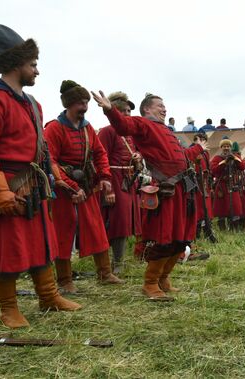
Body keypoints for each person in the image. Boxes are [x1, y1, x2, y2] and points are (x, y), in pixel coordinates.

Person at [0, 24, 81, 328]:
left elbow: (40, 148)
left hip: (34, 186)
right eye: (33, 65)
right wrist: (0, 190)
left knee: (42, 242)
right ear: (16, 64)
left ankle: (48, 296)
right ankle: (8, 309)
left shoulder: (33, 103)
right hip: (9, 187)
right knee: (9, 248)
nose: (37, 71)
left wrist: (51, 177)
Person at [92, 91, 207, 301]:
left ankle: (163, 279)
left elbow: (181, 158)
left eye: (164, 106)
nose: (164, 109)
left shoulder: (167, 131)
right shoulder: (142, 124)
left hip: (182, 190)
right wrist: (110, 110)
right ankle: (150, 283)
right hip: (165, 190)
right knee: (164, 237)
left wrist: (198, 148)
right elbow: (123, 126)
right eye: (159, 106)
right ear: (147, 109)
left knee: (180, 238)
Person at [44, 81, 124, 294]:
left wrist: (105, 176)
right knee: (63, 232)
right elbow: (49, 161)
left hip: (87, 184)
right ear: (69, 104)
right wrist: (70, 186)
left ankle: (104, 273)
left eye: (86, 102)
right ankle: (64, 280)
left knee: (96, 227)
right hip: (63, 189)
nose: (85, 107)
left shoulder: (87, 128)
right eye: (81, 102)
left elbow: (99, 154)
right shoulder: (54, 128)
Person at [98, 91, 143, 275]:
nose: (127, 115)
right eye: (123, 111)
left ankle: (119, 260)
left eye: (129, 112)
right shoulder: (107, 131)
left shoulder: (131, 134)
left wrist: (138, 157)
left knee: (127, 222)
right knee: (118, 223)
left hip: (129, 180)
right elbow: (101, 160)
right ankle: (116, 263)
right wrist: (107, 187)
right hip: (114, 181)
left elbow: (140, 154)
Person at [211, 138, 245, 230]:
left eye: (228, 146)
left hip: (233, 185)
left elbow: (242, 166)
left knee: (235, 207)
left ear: (230, 147)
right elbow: (214, 170)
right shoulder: (217, 158)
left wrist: (235, 158)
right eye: (224, 146)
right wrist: (224, 162)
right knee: (221, 209)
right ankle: (222, 229)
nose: (226, 148)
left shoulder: (235, 156)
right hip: (221, 187)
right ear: (221, 147)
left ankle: (234, 228)